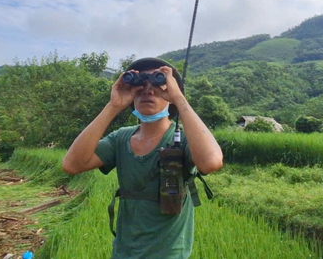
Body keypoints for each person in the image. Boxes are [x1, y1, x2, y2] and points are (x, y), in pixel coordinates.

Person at [62, 57, 223, 259]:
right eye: (140, 85)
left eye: (157, 82)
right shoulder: (121, 138)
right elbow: (71, 164)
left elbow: (212, 162)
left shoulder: (182, 139)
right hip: (123, 253)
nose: (148, 91)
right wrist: (113, 106)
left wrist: (179, 98)